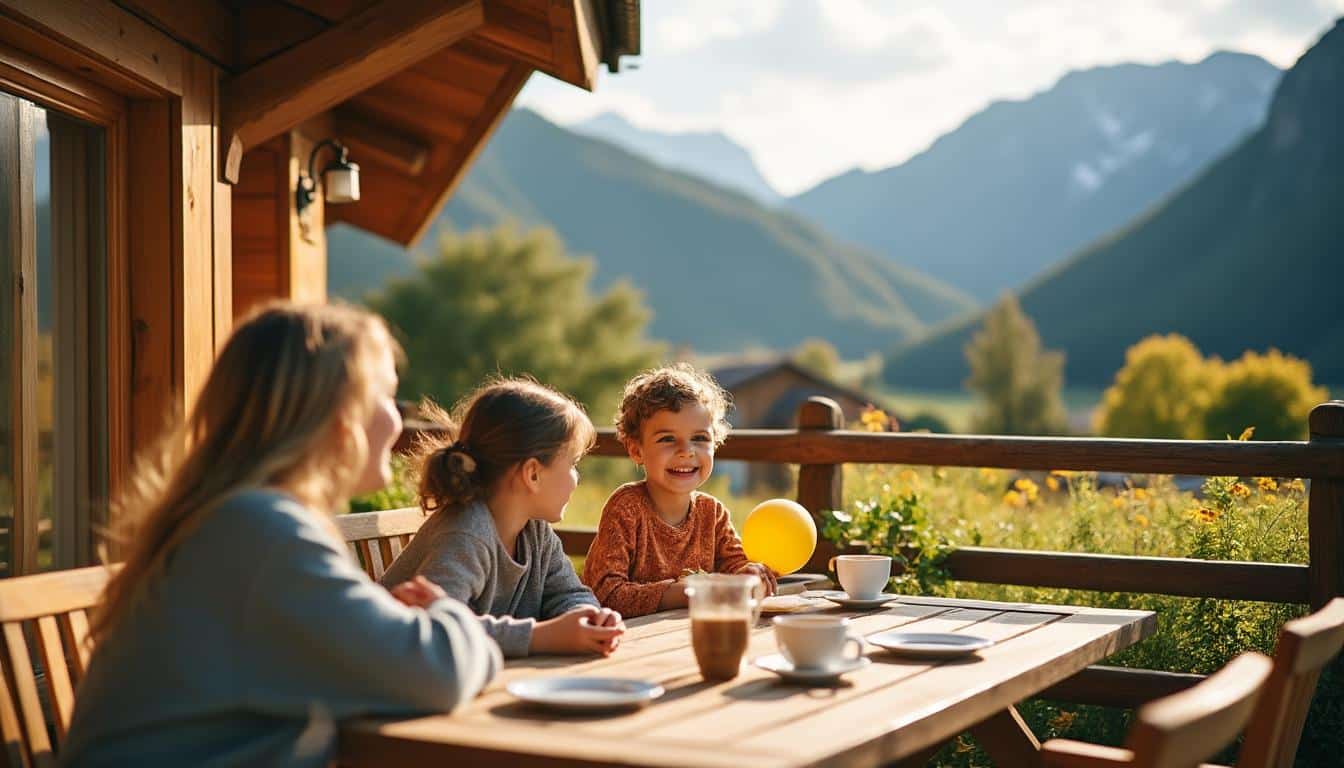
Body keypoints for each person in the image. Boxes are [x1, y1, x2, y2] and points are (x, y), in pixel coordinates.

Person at [61, 302, 501, 768]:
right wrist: (448, 614)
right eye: (388, 397)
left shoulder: (238, 518)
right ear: (339, 414)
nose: (398, 421)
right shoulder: (262, 531)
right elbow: (438, 676)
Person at [380, 379, 624, 659]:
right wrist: (541, 637)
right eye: (573, 464)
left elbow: (567, 592)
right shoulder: (466, 532)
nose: (575, 479)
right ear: (533, 474)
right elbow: (438, 627)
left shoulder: (536, 531)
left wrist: (588, 617)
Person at [583, 364, 777, 618]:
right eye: (667, 439)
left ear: (715, 444)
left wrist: (750, 574)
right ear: (636, 450)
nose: (686, 451)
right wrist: (687, 592)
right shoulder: (626, 507)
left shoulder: (712, 513)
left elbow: (734, 568)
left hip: (687, 636)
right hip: (630, 642)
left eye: (699, 438)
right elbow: (606, 595)